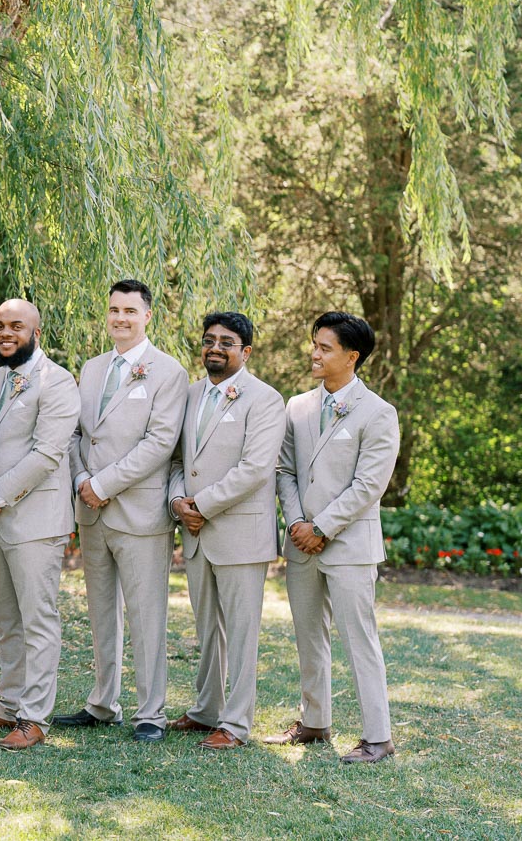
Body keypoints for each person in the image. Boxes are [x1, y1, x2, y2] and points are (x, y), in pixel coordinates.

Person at [54, 279, 188, 742]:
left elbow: (161, 443)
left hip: (139, 514)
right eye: (114, 310)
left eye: (130, 311)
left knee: (147, 614)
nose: (121, 319)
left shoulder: (168, 372)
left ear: (148, 316)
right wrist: (79, 482)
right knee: (100, 612)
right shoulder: (91, 369)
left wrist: (104, 484)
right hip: (91, 511)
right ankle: (102, 702)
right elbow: (74, 434)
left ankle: (150, 712)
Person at [267, 311, 399, 764]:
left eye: (325, 347)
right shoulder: (297, 406)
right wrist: (298, 523)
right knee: (309, 635)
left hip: (348, 545)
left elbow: (369, 485)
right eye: (314, 344)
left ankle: (378, 737)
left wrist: (321, 527)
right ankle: (315, 722)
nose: (314, 353)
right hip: (302, 542)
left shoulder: (379, 413)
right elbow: (284, 469)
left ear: (351, 356)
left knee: (358, 638)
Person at [0, 299, 79, 750]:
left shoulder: (59, 381)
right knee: (6, 620)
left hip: (34, 519)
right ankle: (8, 705)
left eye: (17, 326)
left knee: (37, 619)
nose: (6, 333)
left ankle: (34, 717)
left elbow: (48, 454)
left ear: (36, 332)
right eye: (0, 325)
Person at [166, 312, 285, 750]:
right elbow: (177, 461)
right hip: (196, 532)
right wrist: (179, 502)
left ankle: (235, 724)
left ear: (246, 351)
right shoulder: (191, 394)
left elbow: (255, 469)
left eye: (227, 342)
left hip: (240, 532)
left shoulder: (266, 399)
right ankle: (205, 710)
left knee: (240, 631)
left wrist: (203, 505)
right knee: (206, 628)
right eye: (209, 340)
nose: (215, 348)